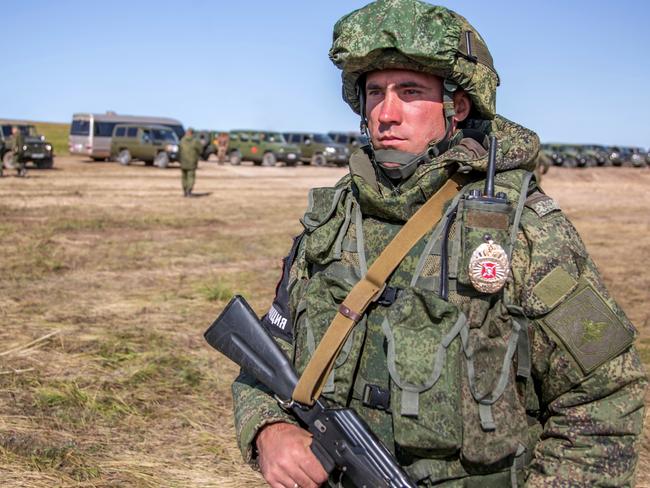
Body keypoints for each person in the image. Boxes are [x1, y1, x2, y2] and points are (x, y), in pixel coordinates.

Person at [231, 1, 647, 487]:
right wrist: (269, 430)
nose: (386, 113)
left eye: (410, 92)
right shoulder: (334, 221)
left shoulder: (522, 230)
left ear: (458, 105)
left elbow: (604, 398)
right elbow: (265, 354)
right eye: (374, 92)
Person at [179, 127, 202, 197]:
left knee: (184, 177)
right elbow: (200, 150)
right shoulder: (195, 141)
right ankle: (189, 191)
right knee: (191, 177)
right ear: (192, 133)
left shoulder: (182, 140)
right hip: (192, 162)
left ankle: (184, 191)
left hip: (183, 161)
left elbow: (179, 149)